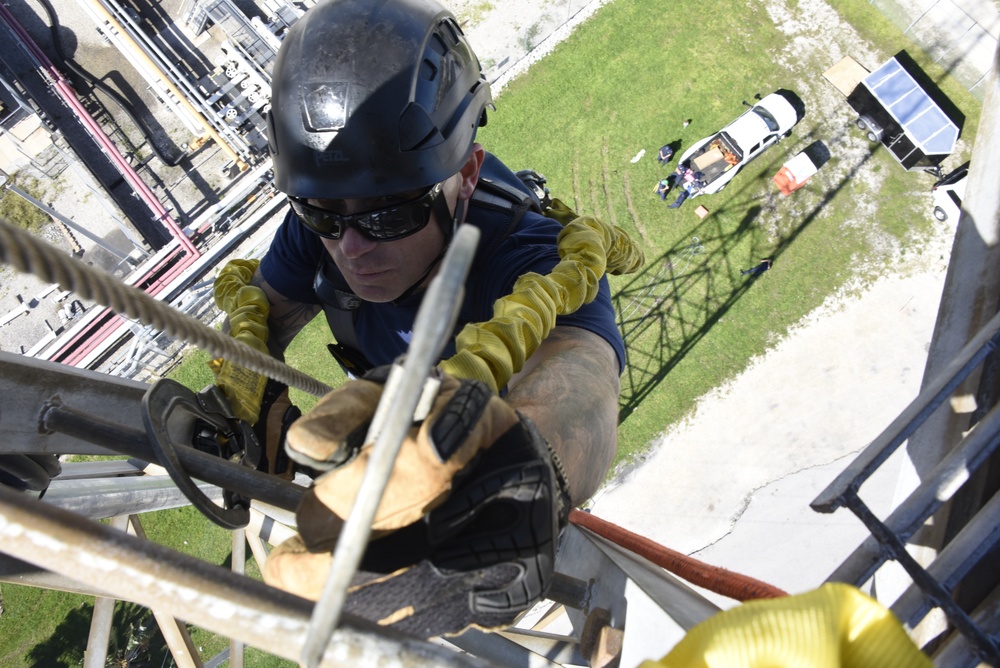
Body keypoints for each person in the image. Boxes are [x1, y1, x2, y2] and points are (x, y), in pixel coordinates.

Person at [216, 0, 631, 637]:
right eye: (323, 215)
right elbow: (266, 309)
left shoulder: (531, 255)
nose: (351, 247)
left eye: (388, 216)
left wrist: (528, 476)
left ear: (464, 175)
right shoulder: (332, 215)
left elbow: (583, 387)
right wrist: (252, 395)